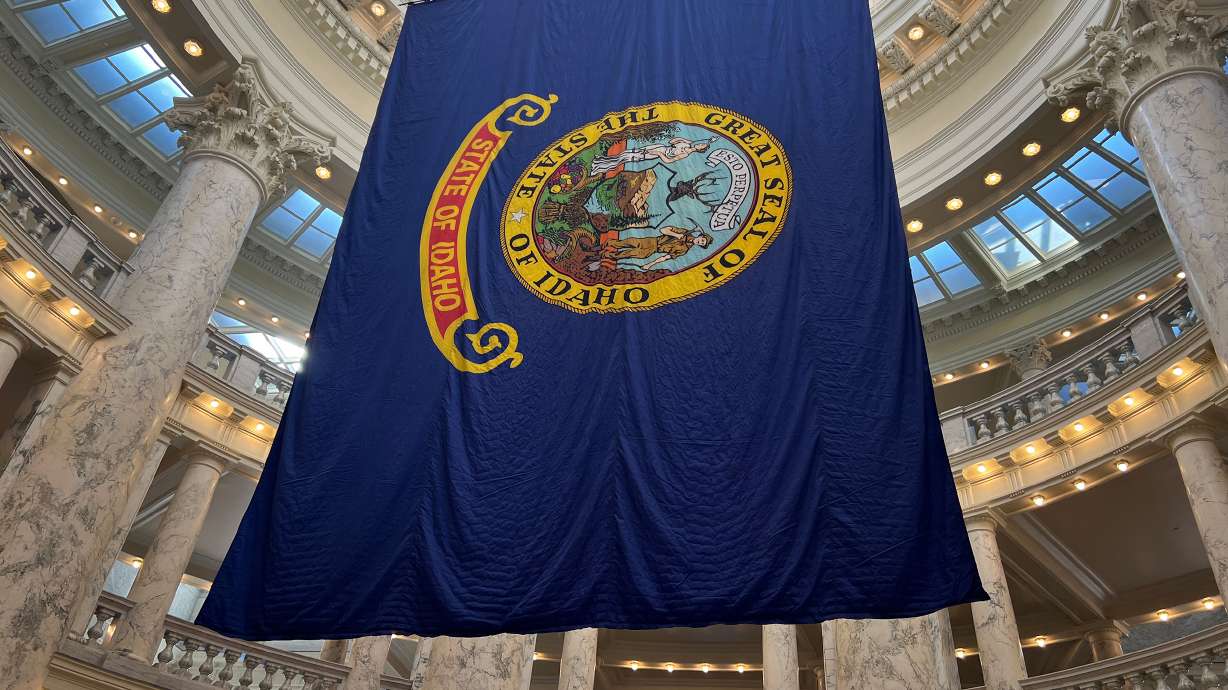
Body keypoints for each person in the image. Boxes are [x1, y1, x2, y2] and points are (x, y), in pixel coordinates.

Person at [589, 137, 714, 176]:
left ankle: (599, 168)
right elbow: (672, 141)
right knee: (624, 154)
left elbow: (670, 161)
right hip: (658, 146)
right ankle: (599, 161)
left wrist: (659, 154)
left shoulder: (685, 153)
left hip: (656, 153)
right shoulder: (686, 143)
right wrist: (685, 140)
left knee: (625, 158)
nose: (700, 145)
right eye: (701, 143)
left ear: (700, 150)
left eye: (701, 147)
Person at [605, 226, 714, 271]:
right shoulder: (684, 232)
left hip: (652, 251)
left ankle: (607, 256)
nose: (700, 242)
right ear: (700, 236)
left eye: (702, 243)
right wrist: (676, 235)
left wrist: (649, 264)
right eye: (702, 239)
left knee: (628, 254)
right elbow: (663, 230)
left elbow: (665, 258)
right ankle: (604, 245)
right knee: (625, 242)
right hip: (651, 240)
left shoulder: (684, 250)